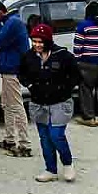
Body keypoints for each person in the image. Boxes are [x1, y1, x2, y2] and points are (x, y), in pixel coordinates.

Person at [20, 24, 81, 182]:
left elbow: (76, 75)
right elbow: (21, 73)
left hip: (60, 102)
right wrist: (30, 85)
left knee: (56, 135)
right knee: (44, 138)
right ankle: (50, 169)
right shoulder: (28, 56)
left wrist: (65, 89)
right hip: (38, 103)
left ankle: (67, 164)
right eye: (34, 41)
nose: (37, 45)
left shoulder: (63, 55)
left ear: (48, 41)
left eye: (40, 42)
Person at [0, 0, 31, 157]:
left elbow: (0, 41)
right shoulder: (7, 23)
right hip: (7, 68)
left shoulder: (12, 23)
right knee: (6, 104)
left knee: (16, 105)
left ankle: (24, 143)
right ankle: (9, 138)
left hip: (13, 68)